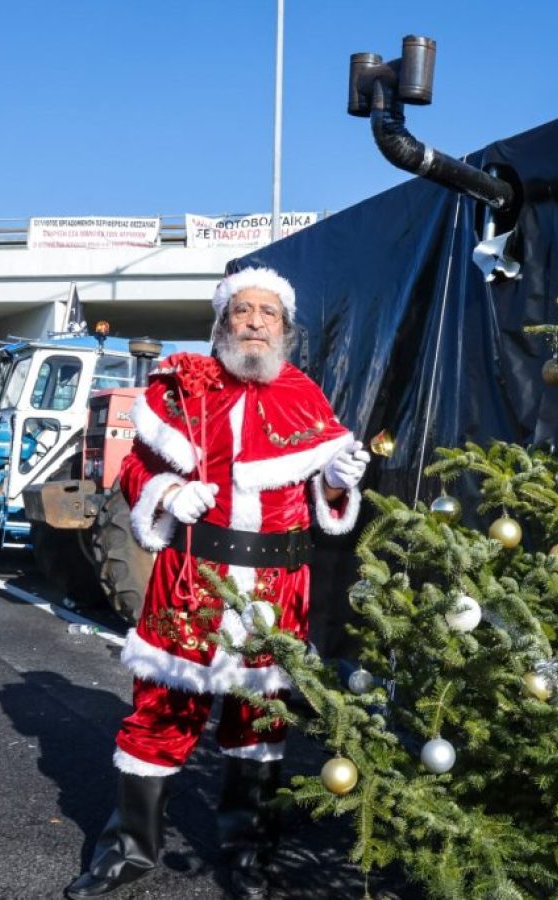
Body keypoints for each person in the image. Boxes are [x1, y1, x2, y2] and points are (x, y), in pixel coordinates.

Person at [65, 267, 370, 899]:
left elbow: (324, 498)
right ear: (222, 321)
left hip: (276, 587)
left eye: (269, 313)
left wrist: (338, 478)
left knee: (259, 724)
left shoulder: (305, 395)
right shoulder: (183, 390)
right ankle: (129, 851)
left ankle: (250, 854)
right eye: (243, 310)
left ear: (285, 329)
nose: (256, 321)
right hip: (192, 578)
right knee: (160, 713)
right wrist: (171, 492)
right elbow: (137, 471)